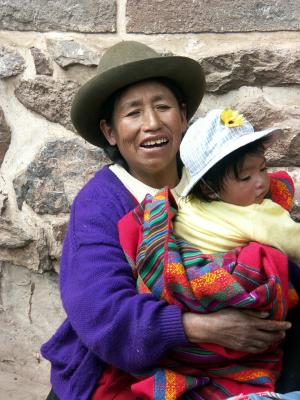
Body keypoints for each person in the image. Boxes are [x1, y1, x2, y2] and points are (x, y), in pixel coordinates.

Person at [41, 41, 292, 400]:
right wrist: (204, 328)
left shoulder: (213, 181)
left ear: (184, 116)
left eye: (163, 107)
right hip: (127, 370)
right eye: (132, 113)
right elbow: (102, 314)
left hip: (230, 360)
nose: (152, 123)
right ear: (110, 132)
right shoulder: (100, 204)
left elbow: (270, 246)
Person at [175, 108, 300, 264]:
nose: (261, 181)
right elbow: (295, 241)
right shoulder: (257, 215)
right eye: (246, 177)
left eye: (263, 169)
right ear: (209, 189)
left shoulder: (188, 206)